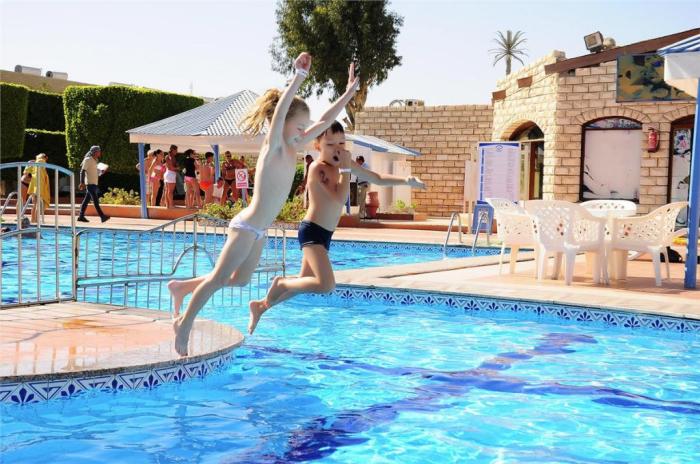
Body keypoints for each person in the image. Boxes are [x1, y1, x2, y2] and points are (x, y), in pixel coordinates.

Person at [168, 52, 359, 356]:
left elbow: (325, 121)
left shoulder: (294, 147)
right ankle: (184, 324)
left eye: (305, 126)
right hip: (246, 226)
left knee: (239, 280)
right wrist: (298, 77)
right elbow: (282, 112)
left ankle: (181, 287)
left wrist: (347, 94)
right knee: (219, 278)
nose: (304, 130)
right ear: (282, 125)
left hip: (258, 231)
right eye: (300, 125)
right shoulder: (275, 146)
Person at [248, 122, 424, 334]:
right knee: (325, 285)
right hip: (312, 231)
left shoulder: (343, 165)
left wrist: (406, 180)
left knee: (302, 284)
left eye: (341, 143)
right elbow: (339, 198)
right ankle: (281, 283)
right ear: (317, 146)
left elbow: (376, 178)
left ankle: (262, 306)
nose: (338, 149)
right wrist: (347, 169)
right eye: (330, 144)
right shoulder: (317, 169)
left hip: (325, 234)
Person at [77, 146, 110, 223]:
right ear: (94, 152)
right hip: (90, 184)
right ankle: (102, 216)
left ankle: (81, 216)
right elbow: (82, 171)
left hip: (94, 184)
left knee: (86, 201)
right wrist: (82, 182)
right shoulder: (88, 159)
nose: (100, 152)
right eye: (99, 151)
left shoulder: (95, 160)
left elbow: (95, 172)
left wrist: (102, 172)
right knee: (95, 201)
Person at [26, 154, 51, 223]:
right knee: (38, 205)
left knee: (34, 205)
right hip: (39, 186)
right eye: (46, 158)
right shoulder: (41, 161)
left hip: (33, 186)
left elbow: (26, 173)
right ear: (43, 157)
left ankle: (33, 220)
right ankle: (37, 221)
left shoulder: (34, 164)